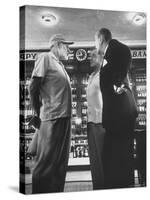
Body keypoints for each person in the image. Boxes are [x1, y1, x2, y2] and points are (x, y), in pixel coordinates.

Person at [29, 34, 74, 194]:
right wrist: (36, 113)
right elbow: (33, 87)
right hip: (52, 117)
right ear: (57, 45)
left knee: (59, 165)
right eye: (66, 45)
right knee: (45, 165)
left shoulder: (60, 65)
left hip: (64, 119)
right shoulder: (46, 57)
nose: (69, 49)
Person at [95, 28, 138, 189]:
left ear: (100, 38)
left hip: (120, 112)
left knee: (120, 156)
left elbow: (125, 54)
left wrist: (118, 83)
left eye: (95, 40)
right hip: (116, 113)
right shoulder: (108, 53)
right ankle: (119, 186)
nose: (95, 44)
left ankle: (122, 188)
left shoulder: (116, 47)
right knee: (117, 156)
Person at [87, 50, 105, 189]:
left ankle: (104, 188)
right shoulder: (92, 76)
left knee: (103, 160)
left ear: (101, 57)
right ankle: (97, 188)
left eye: (93, 55)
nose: (90, 58)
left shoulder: (104, 74)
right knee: (94, 160)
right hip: (90, 123)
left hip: (101, 123)